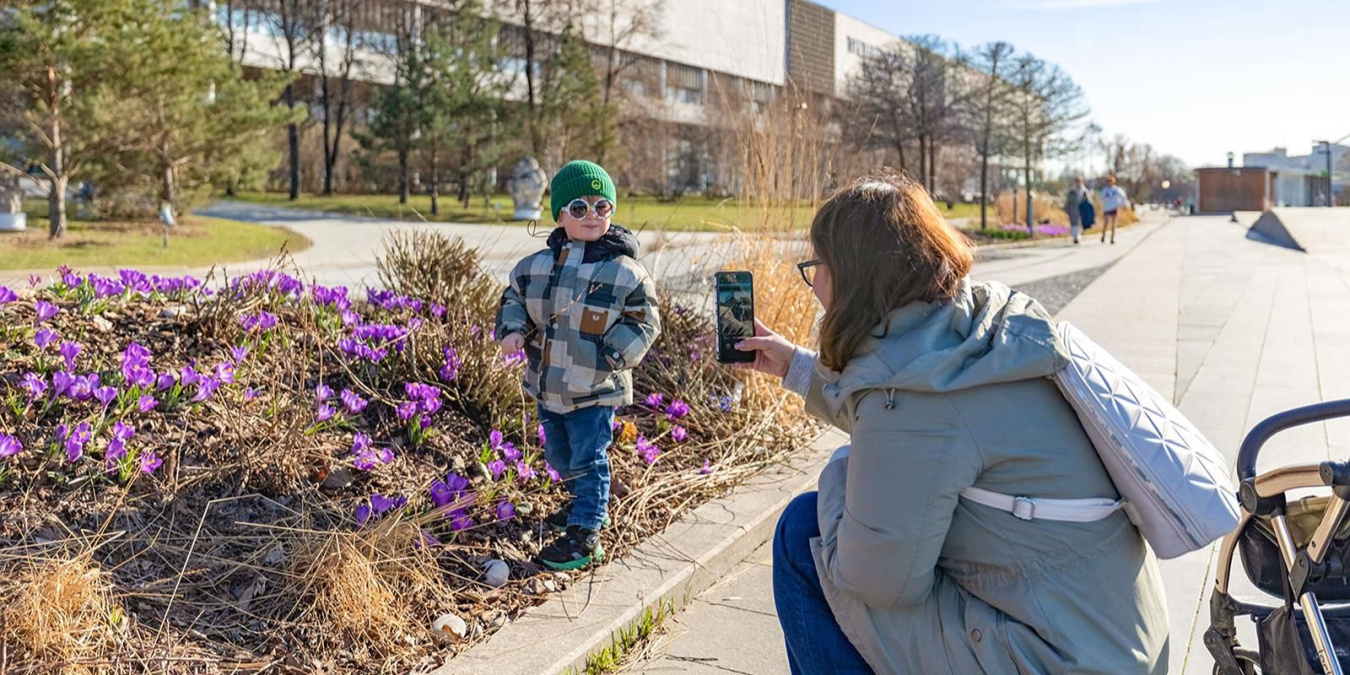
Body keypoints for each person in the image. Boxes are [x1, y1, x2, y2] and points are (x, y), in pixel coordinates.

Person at [733, 175, 1169, 674]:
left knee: (801, 534)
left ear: (851, 275)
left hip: (1052, 658)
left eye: (816, 267)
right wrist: (794, 365)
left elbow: (878, 581)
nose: (815, 286)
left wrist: (840, 477)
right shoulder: (968, 335)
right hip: (1108, 636)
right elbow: (905, 422)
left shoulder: (912, 396)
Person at [495, 160, 661, 570]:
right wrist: (512, 329)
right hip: (549, 384)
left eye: (602, 207)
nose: (592, 216)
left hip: (595, 387)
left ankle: (586, 532)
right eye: (579, 207)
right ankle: (581, 505)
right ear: (560, 215)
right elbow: (513, 298)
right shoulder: (536, 268)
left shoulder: (624, 273)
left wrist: (613, 355)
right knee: (559, 456)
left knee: (590, 457)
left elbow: (646, 318)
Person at [1099, 175, 1129, 244]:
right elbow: (1101, 198)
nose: (1110, 183)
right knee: (1106, 223)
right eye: (1108, 181)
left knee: (1113, 224)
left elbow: (1123, 196)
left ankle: (1112, 238)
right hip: (1107, 208)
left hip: (1114, 208)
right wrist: (1105, 200)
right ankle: (1103, 236)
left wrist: (1122, 204)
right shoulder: (1105, 190)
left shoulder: (1116, 189)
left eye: (1111, 181)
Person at [1064, 176, 1090, 244]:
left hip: (1082, 209)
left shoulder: (1085, 191)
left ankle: (1078, 235)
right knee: (1074, 223)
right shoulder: (1072, 191)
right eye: (1077, 182)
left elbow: (1089, 201)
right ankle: (1076, 237)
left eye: (1080, 182)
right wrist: (1067, 209)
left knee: (1080, 223)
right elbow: (1068, 201)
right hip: (1073, 209)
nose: (1078, 183)